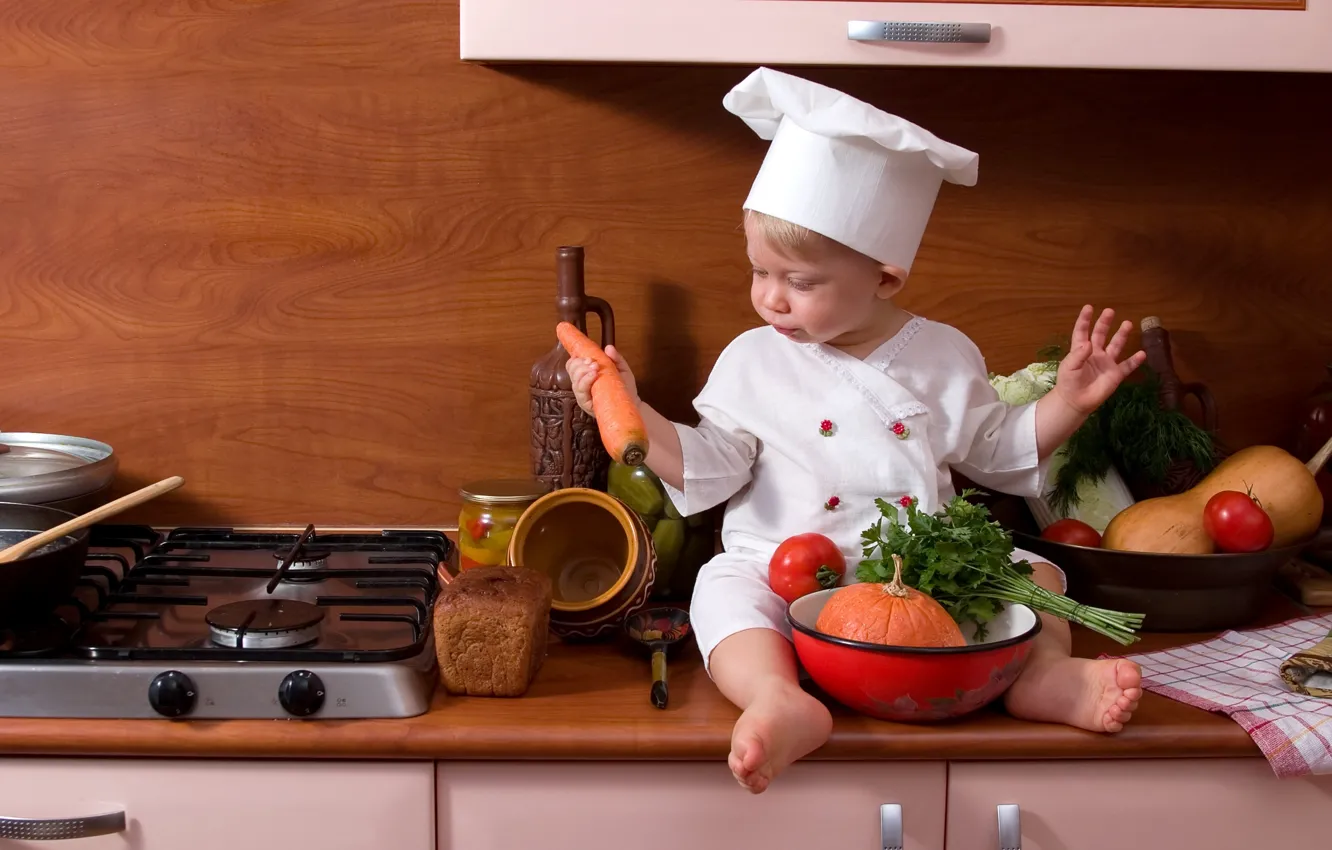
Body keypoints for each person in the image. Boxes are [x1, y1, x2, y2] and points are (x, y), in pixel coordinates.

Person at [567, 67, 1144, 795]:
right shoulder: (752, 359)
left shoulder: (941, 354)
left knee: (1037, 575)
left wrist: (1072, 401)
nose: (772, 298)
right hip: (784, 570)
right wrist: (630, 407)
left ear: (885, 279)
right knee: (720, 588)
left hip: (913, 577)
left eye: (800, 282)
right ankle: (778, 697)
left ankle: (1046, 680)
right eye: (759, 272)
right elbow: (710, 465)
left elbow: (1000, 453)